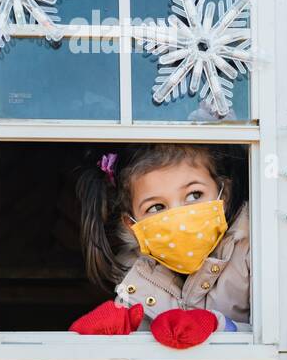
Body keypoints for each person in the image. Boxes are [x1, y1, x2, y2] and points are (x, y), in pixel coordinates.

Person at [70, 143, 250, 349]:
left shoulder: (254, 252)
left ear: (223, 194)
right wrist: (101, 344)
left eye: (194, 195)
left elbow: (276, 338)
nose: (178, 219)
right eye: (156, 207)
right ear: (132, 225)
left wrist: (219, 328)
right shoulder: (134, 282)